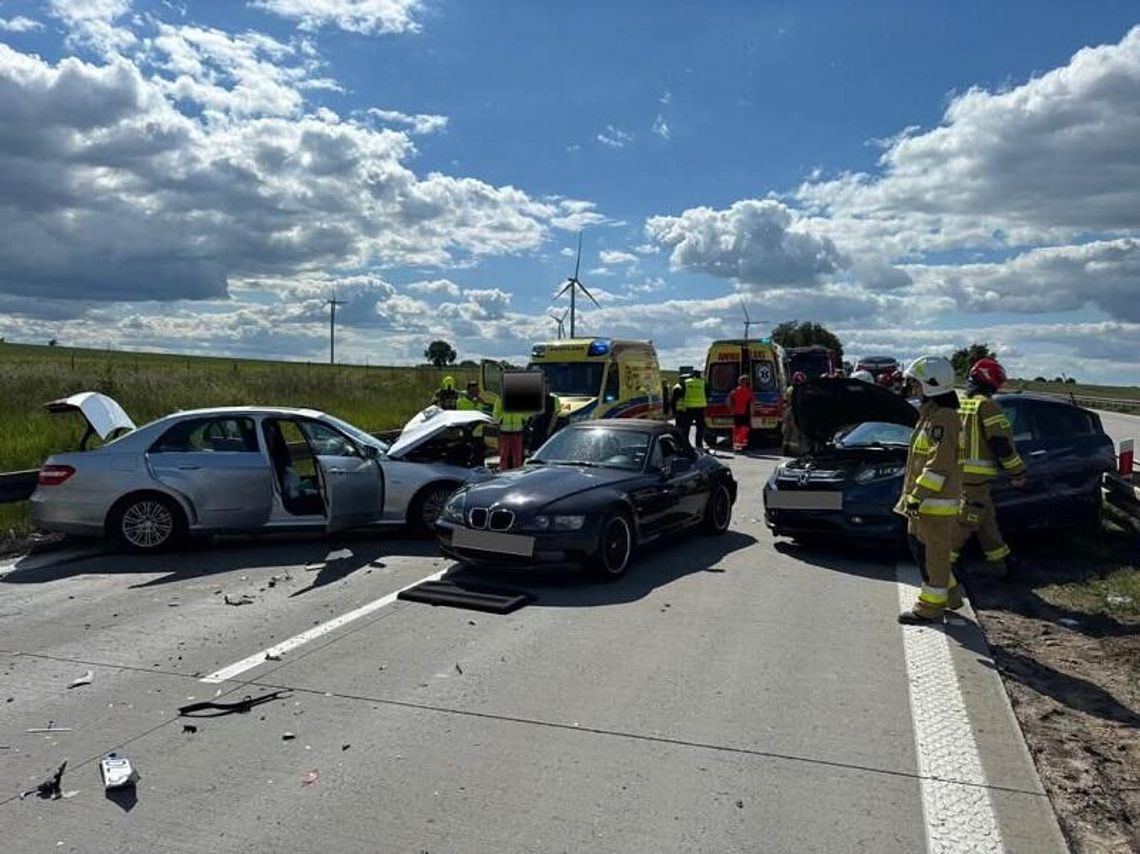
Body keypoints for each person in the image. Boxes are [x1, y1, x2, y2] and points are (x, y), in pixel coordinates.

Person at [895, 355, 963, 623]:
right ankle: (951, 595)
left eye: (916, 384)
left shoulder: (944, 419)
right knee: (923, 550)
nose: (913, 389)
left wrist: (917, 496)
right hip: (924, 502)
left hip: (934, 504)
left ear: (931, 386)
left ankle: (930, 608)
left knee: (931, 555)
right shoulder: (931, 416)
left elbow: (939, 465)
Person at [951, 358, 1027, 577]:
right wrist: (1017, 472)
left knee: (987, 523)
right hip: (976, 479)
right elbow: (1000, 443)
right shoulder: (987, 405)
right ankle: (942, 566)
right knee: (965, 522)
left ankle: (1002, 564)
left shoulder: (961, 403)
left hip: (959, 474)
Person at [493, 392, 527, 470]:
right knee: (504, 455)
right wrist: (499, 421)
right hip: (505, 431)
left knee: (517, 455)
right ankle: (503, 471)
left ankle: (517, 473)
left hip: (518, 430)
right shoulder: (500, 399)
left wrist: (524, 419)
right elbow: (495, 412)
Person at [781, 371, 808, 455]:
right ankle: (793, 450)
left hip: (788, 411)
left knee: (787, 430)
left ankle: (785, 449)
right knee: (795, 430)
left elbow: (785, 400)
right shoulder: (799, 389)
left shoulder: (789, 388)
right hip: (795, 411)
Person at [683, 368, 708, 449]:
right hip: (700, 407)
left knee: (686, 427)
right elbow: (708, 394)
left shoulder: (686, 382)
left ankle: (685, 444)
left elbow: (682, 393)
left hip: (689, 407)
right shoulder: (703, 383)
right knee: (700, 427)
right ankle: (699, 444)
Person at [728, 375, 753, 452]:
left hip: (738, 413)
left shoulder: (734, 391)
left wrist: (731, 410)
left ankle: (739, 446)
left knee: (738, 430)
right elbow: (752, 403)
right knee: (743, 429)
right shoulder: (748, 391)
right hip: (744, 413)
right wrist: (752, 414)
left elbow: (728, 401)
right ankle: (741, 446)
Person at [671, 373, 690, 445]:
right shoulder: (678, 388)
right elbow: (673, 401)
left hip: (684, 411)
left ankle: (684, 442)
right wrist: (674, 412)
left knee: (685, 428)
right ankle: (679, 442)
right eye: (685, 379)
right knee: (680, 428)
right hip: (680, 411)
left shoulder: (684, 387)